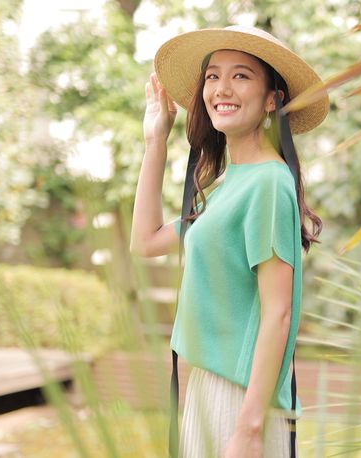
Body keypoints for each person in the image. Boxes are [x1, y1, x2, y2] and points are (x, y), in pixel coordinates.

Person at [129, 25, 328, 458]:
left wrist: (249, 429)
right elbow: (145, 243)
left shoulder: (269, 183)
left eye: (240, 75)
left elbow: (278, 314)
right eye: (213, 76)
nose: (222, 88)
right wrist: (155, 141)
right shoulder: (228, 185)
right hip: (210, 390)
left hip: (241, 402)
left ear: (272, 99)